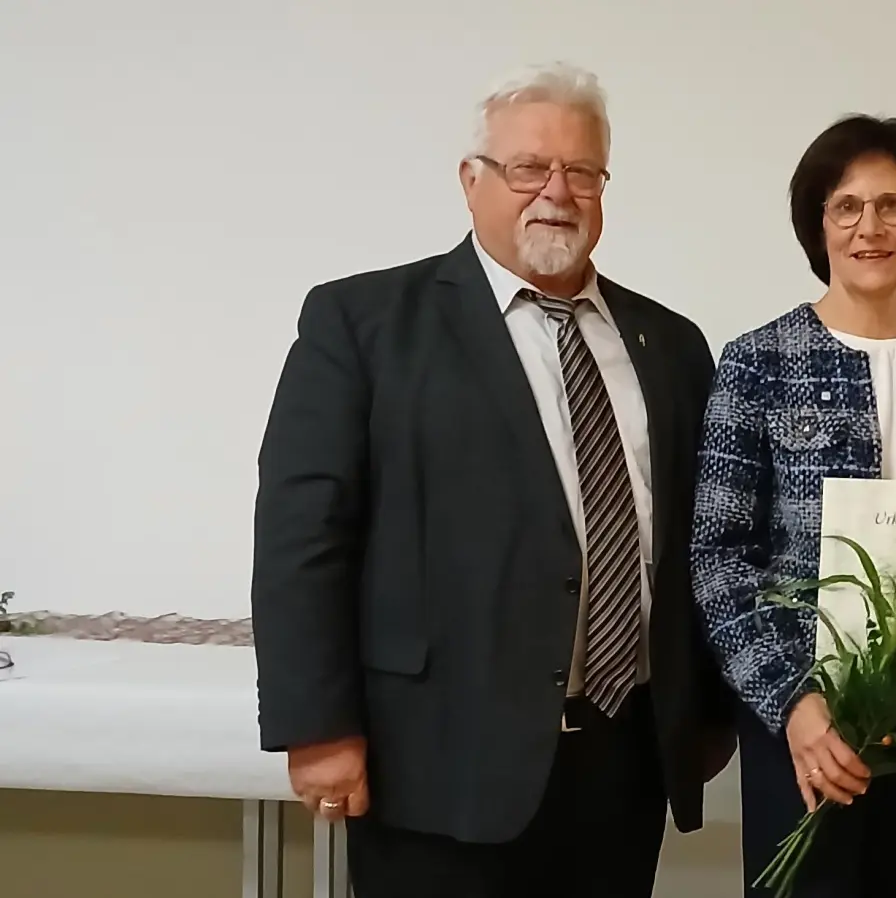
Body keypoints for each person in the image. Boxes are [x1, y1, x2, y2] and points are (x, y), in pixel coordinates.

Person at [250, 61, 735, 898]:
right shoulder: (363, 326)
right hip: (436, 769)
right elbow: (303, 536)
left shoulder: (672, 343)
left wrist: (710, 710)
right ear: (471, 182)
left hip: (622, 766)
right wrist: (318, 726)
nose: (558, 191)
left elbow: (700, 540)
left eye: (582, 171)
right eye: (528, 168)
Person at [690, 114, 896, 898]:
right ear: (819, 223)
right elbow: (716, 556)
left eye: (892, 206)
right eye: (847, 206)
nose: (870, 227)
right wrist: (792, 706)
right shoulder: (757, 362)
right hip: (800, 715)